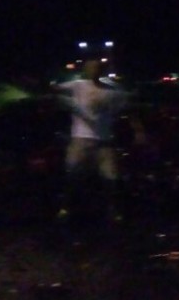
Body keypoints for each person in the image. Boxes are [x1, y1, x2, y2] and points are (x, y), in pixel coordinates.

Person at [54, 58, 131, 221]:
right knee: (72, 174)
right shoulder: (78, 85)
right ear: (85, 70)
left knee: (110, 177)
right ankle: (66, 207)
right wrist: (66, 102)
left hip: (104, 140)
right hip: (81, 139)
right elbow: (55, 91)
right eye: (90, 67)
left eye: (97, 67)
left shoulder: (112, 88)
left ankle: (112, 209)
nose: (93, 70)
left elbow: (125, 103)